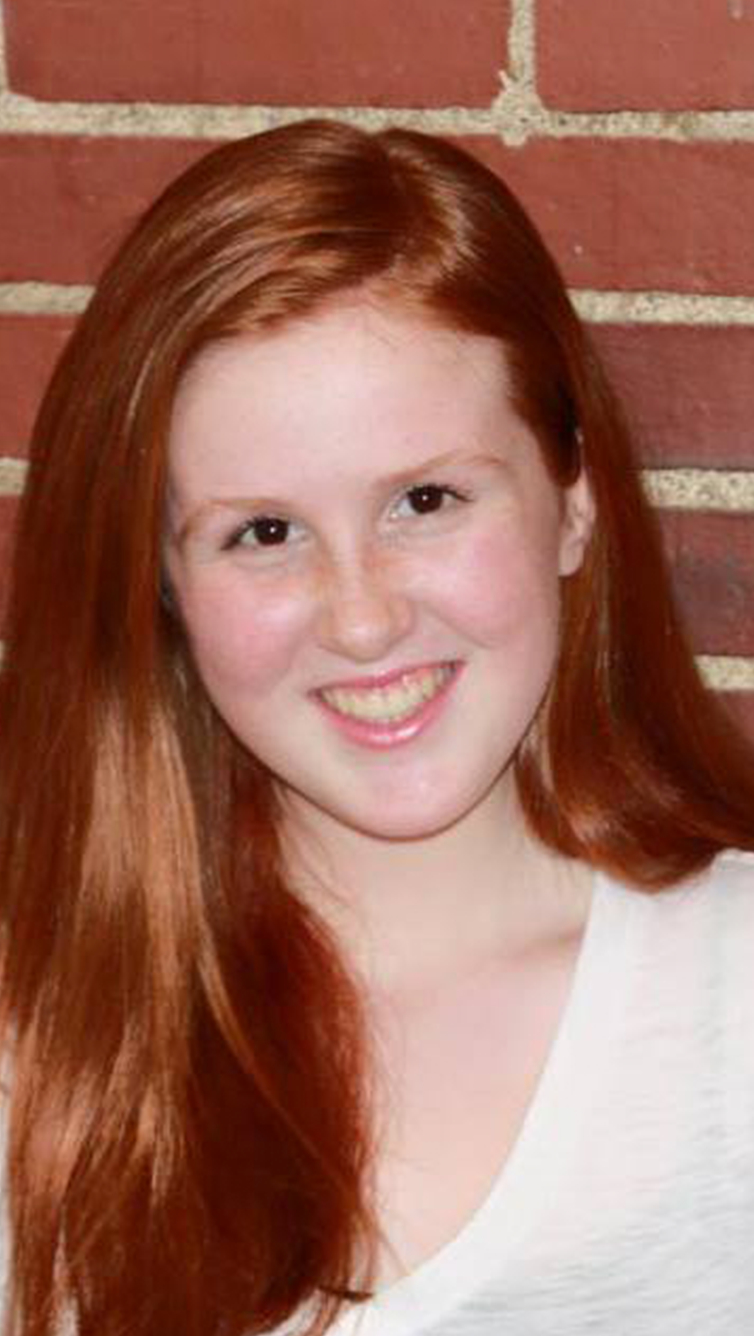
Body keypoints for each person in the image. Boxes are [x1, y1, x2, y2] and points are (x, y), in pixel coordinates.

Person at [0, 119, 753, 1336]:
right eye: (264, 531)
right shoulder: (38, 1046)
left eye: (424, 499)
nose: (360, 619)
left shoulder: (733, 996)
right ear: (164, 586)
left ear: (573, 505)